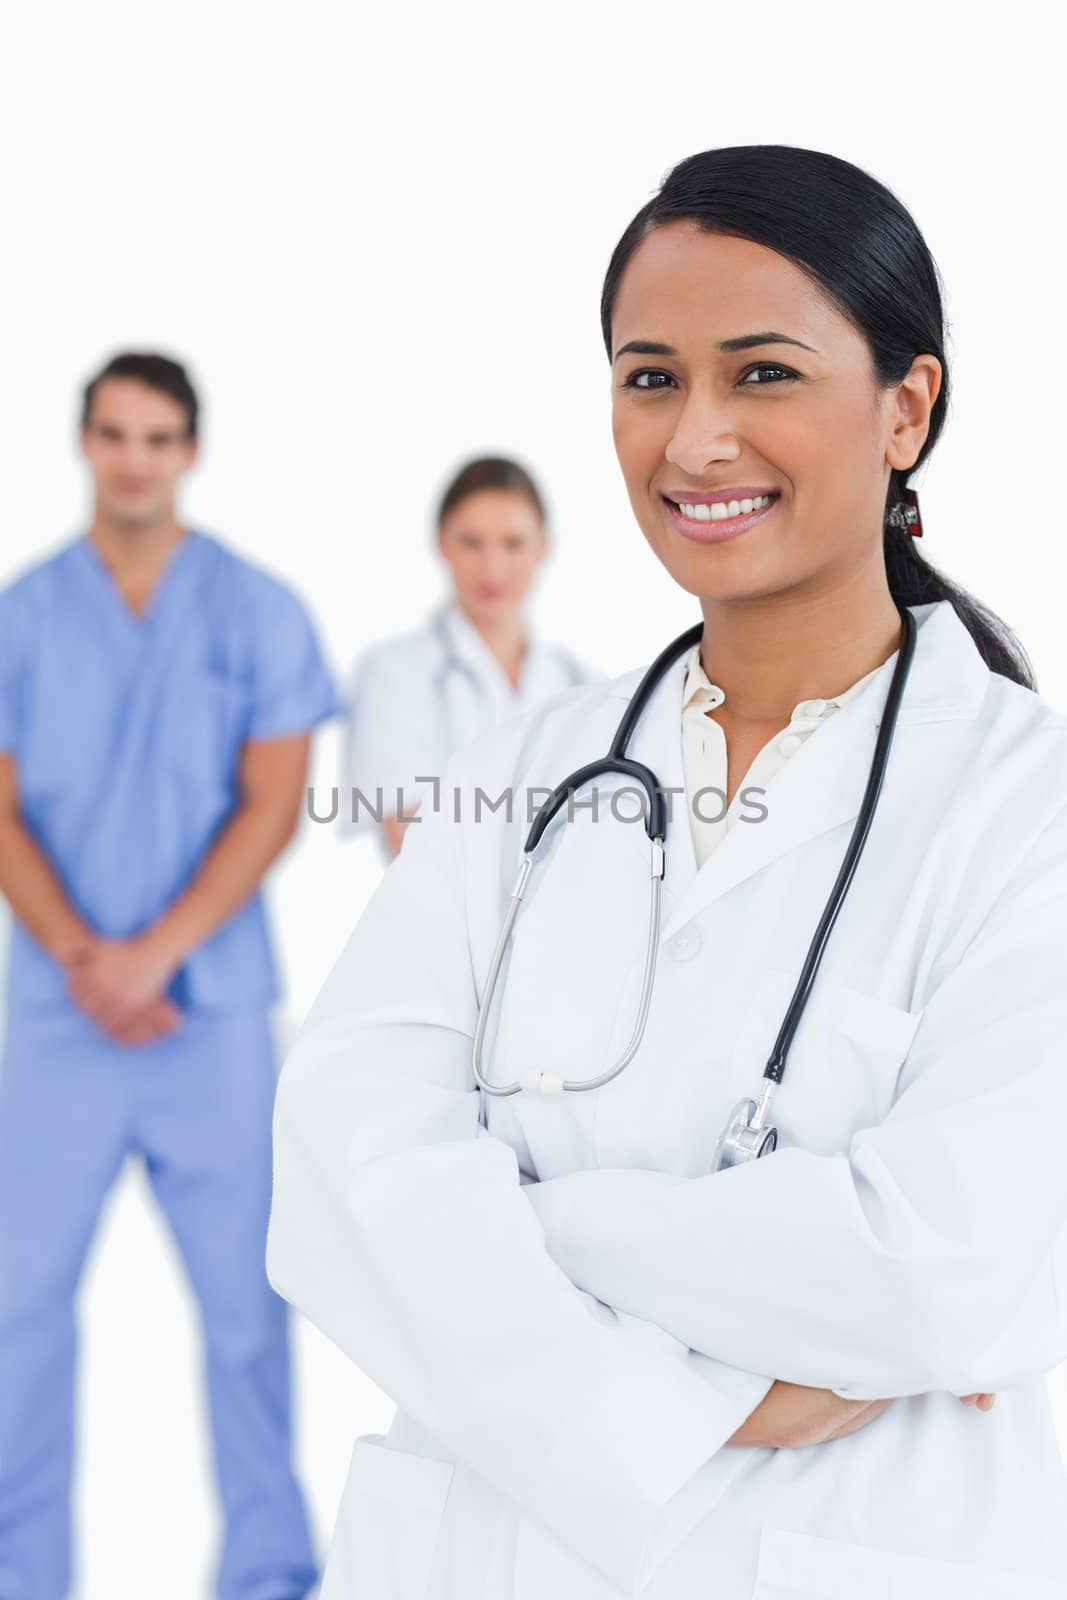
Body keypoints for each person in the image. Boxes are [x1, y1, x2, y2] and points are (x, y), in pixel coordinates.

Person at [264, 146, 1067, 1600]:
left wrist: (516, 1222)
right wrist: (706, 1392)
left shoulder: (1023, 804)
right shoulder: (523, 771)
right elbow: (335, 1164)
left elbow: (946, 1265)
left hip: (857, 1547)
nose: (693, 440)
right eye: (649, 379)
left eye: (760, 375)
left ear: (906, 407)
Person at [0, 352, 333, 1599]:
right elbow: (3, 808)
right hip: (57, 1015)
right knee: (18, 1315)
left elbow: (273, 801)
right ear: (83, 442)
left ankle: (268, 1571)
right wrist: (89, 959)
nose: (134, 458)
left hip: (211, 1017)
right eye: (114, 434)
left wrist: (154, 954)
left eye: (158, 437)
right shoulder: (24, 613)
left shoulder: (256, 610)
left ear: (189, 451)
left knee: (247, 1316)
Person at [341, 456, 588, 857]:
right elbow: (410, 836)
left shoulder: (580, 681)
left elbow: (604, 835)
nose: (492, 568)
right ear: (442, 543)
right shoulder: (392, 672)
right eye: (471, 542)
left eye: (513, 544)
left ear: (542, 547)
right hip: (442, 920)